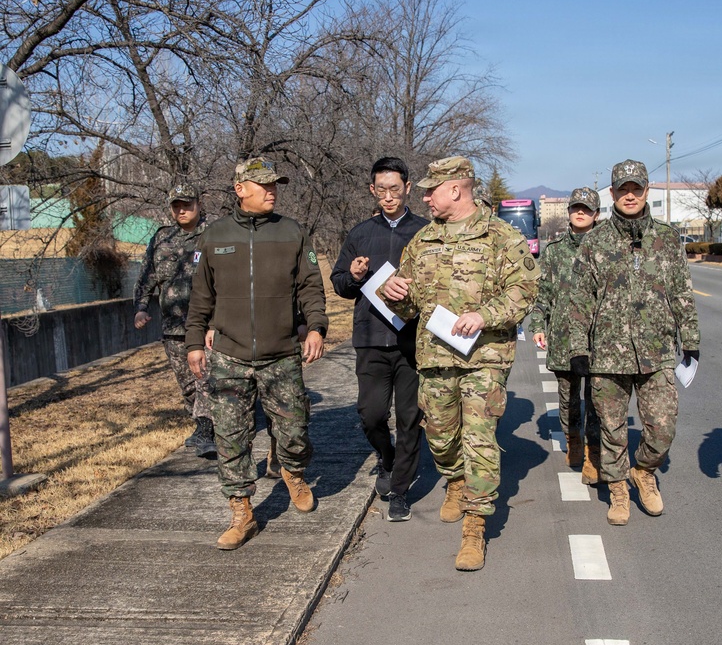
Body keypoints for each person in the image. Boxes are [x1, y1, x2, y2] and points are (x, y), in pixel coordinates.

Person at [380, 156, 539, 571]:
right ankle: (454, 479)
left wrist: (484, 315)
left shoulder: (502, 237)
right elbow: (409, 303)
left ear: (455, 189)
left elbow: (524, 291)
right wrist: (391, 290)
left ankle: (474, 527)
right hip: (434, 357)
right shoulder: (422, 241)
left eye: (431, 189)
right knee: (440, 436)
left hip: (484, 359)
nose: (424, 197)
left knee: (480, 440)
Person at [185, 156, 328, 551]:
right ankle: (242, 510)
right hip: (229, 354)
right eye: (263, 185)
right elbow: (200, 297)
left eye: (275, 185)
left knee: (294, 430)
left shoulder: (292, 233)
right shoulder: (213, 236)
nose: (271, 191)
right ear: (239, 189)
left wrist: (315, 327)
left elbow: (310, 287)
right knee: (231, 436)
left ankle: (293, 471)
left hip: (281, 353)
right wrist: (194, 342)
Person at [567, 159, 699, 527]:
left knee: (662, 428)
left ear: (646, 192)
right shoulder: (595, 241)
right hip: (607, 353)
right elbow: (580, 299)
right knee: (611, 428)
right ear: (611, 194)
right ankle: (619, 490)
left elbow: (682, 293)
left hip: (656, 351)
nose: (629, 195)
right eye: (622, 189)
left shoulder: (668, 238)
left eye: (636, 189)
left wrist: (691, 340)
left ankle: (644, 469)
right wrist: (579, 347)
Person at [331, 157, 429, 522]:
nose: (388, 196)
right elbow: (339, 283)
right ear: (372, 190)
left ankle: (400, 490)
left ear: (407, 188)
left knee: (409, 417)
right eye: (381, 190)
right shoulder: (360, 233)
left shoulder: (424, 231)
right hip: (371, 337)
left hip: (411, 340)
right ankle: (387, 459)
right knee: (371, 415)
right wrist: (354, 275)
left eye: (395, 189)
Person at [134, 184, 215, 458]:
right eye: (176, 205)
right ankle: (202, 424)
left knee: (205, 376)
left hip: (207, 324)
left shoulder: (214, 235)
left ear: (198, 204)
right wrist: (141, 308)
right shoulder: (162, 238)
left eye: (187, 204)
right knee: (188, 383)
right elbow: (147, 276)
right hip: (172, 326)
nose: (181, 210)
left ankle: (207, 429)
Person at [530, 187, 601, 484]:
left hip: (599, 336)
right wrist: (538, 325)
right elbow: (542, 292)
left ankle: (592, 451)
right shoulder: (555, 250)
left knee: (597, 396)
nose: (580, 212)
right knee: (568, 396)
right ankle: (573, 439)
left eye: (586, 208)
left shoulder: (607, 247)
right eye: (576, 208)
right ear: (569, 212)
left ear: (596, 214)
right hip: (562, 334)